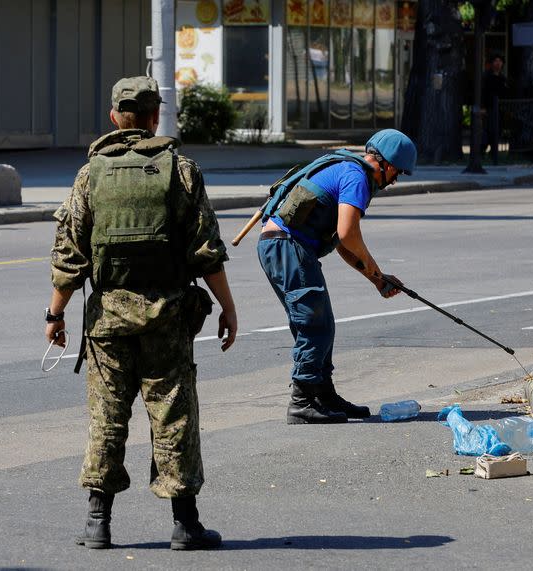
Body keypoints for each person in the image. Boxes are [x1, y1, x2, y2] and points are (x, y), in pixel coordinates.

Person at [44, 76, 238, 550]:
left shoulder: (90, 175)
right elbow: (206, 251)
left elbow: (70, 253)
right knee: (173, 415)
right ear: (155, 118)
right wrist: (229, 309)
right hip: (168, 317)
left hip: (108, 317)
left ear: (114, 117)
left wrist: (55, 315)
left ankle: (97, 523)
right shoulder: (182, 170)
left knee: (107, 416)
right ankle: (184, 523)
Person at [256, 129, 417, 424]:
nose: (394, 181)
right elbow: (348, 234)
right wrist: (377, 271)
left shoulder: (350, 171)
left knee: (323, 324)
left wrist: (377, 280)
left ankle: (323, 395)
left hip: (287, 247)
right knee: (313, 325)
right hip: (286, 246)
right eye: (397, 173)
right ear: (385, 163)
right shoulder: (357, 177)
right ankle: (302, 402)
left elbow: (343, 244)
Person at [481, 52, 509, 160]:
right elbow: (482, 92)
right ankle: (481, 151)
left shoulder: (502, 78)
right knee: (487, 130)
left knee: (497, 130)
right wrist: (482, 107)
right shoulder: (486, 76)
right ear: (492, 63)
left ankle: (494, 152)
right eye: (496, 61)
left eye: (500, 61)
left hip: (499, 108)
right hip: (488, 108)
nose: (498, 63)